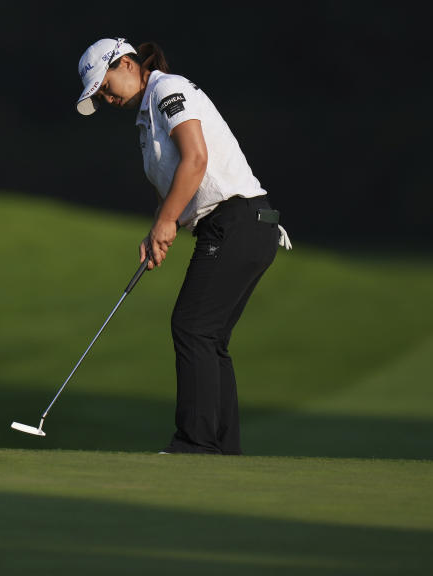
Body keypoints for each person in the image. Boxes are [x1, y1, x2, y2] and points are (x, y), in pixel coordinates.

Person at [75, 37, 291, 455]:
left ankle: (195, 444)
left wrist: (169, 221)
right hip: (238, 226)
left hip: (237, 220)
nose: (105, 98)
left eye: (104, 85)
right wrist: (158, 225)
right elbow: (172, 177)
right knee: (209, 337)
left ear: (125, 63)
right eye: (98, 95)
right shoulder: (145, 118)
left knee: (192, 327)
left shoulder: (166, 90)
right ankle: (222, 450)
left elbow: (196, 160)